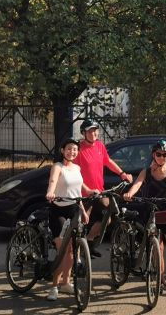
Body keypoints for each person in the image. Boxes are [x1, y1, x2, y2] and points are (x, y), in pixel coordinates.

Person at [124, 140, 166, 297]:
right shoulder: (146, 172)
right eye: (159, 154)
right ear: (153, 155)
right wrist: (130, 194)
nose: (162, 157)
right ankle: (160, 280)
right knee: (157, 249)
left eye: (165, 154)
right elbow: (137, 184)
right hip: (151, 212)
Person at [44, 138, 96, 301]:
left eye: (74, 149)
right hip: (58, 209)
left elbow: (79, 189)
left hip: (74, 209)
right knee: (63, 250)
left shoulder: (77, 168)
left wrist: (88, 198)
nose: (72, 152)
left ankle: (66, 283)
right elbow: (53, 181)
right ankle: (54, 287)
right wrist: (51, 192)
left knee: (73, 250)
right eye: (68, 149)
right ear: (62, 150)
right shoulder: (58, 166)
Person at [74, 118, 133, 258]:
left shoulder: (100, 146)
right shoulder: (79, 149)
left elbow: (108, 162)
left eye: (95, 130)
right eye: (90, 131)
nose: (93, 133)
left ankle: (88, 242)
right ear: (84, 133)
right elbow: (74, 171)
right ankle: (76, 258)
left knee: (108, 217)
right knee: (81, 223)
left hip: (99, 191)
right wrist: (86, 189)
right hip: (84, 193)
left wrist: (122, 173)